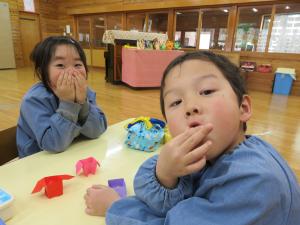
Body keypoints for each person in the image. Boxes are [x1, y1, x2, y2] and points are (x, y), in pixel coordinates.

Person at [84, 51, 300, 225]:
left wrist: (114, 206)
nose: (190, 107)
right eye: (176, 102)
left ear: (243, 108)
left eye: (206, 91)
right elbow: (162, 203)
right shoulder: (213, 152)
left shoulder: (254, 181)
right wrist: (165, 173)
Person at [17, 36, 107, 158]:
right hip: (39, 165)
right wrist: (68, 103)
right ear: (42, 72)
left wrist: (82, 103)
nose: (71, 71)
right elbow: (53, 144)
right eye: (60, 65)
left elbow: (97, 130)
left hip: (73, 156)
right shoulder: (34, 100)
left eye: (77, 64)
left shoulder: (85, 91)